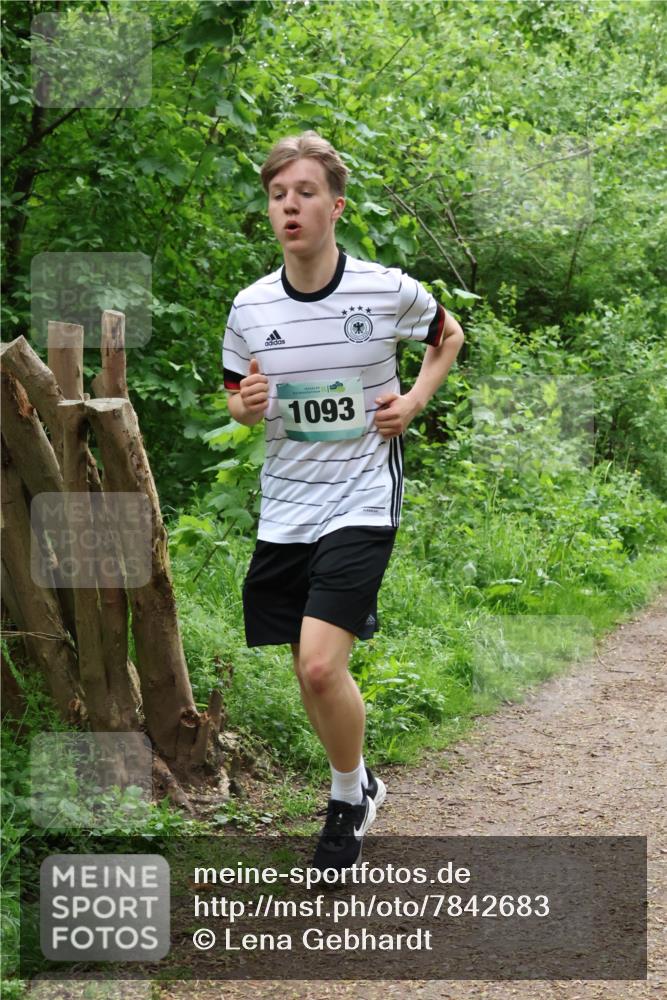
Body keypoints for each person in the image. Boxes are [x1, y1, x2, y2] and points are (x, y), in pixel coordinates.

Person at [222, 131, 464, 874]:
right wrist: (248, 405)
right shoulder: (250, 306)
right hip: (287, 504)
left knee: (323, 668)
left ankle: (343, 801)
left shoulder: (383, 289)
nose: (288, 206)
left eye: (302, 193)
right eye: (276, 195)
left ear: (335, 206)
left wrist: (413, 401)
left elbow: (446, 334)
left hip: (362, 493)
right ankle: (361, 780)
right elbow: (237, 398)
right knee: (305, 666)